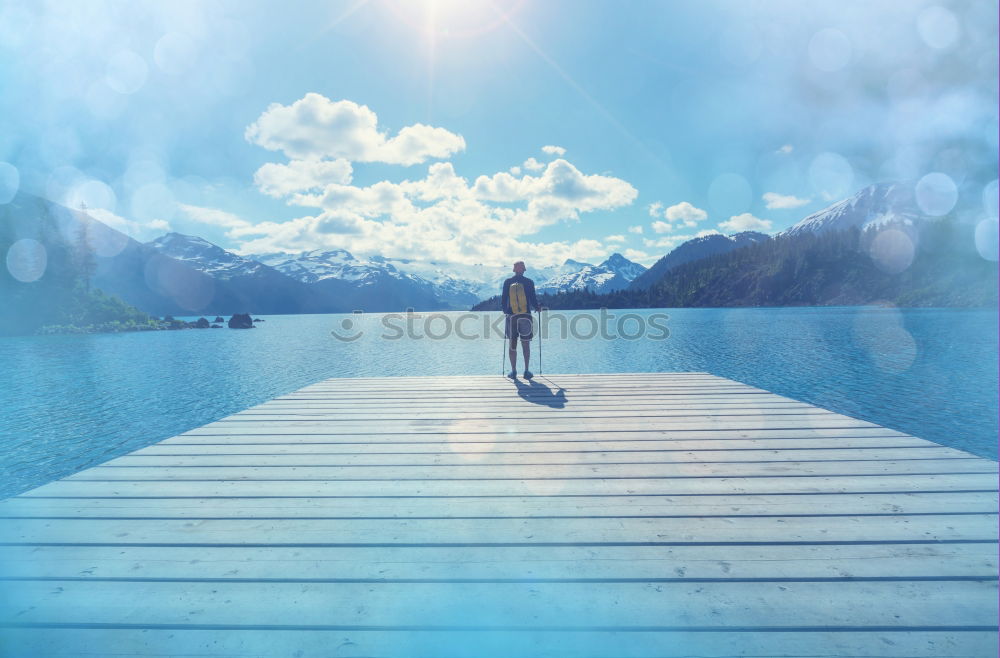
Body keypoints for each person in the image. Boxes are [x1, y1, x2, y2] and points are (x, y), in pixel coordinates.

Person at [500, 260, 541, 379]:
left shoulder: (508, 282)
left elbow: (503, 299)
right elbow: (533, 299)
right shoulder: (529, 282)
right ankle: (527, 371)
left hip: (511, 317)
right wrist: (538, 308)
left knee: (512, 344)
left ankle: (513, 372)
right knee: (525, 343)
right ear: (524, 269)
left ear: (514, 270)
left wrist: (506, 311)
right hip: (526, 316)